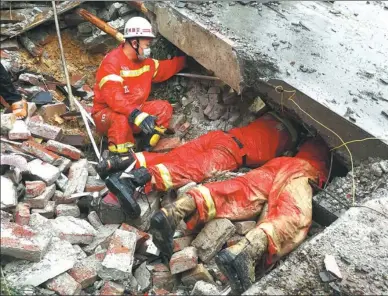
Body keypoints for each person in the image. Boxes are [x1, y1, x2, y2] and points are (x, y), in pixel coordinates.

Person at [148, 137, 329, 294]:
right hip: (304, 171)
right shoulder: (328, 154)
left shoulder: (306, 143)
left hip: (281, 163)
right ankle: (245, 252)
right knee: (293, 216)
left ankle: (173, 212)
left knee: (236, 190)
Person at [118, 111, 299, 194]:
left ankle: (118, 163)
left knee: (174, 157)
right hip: (232, 152)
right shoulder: (290, 140)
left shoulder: (270, 115)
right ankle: (141, 178)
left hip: (221, 137)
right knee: (193, 169)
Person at [92, 16, 186, 154]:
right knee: (120, 119)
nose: (148, 49)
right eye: (146, 45)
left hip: (135, 113)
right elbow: (114, 97)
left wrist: (187, 61)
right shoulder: (112, 62)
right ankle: (121, 158)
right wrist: (136, 114)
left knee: (163, 108)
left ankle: (145, 148)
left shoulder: (146, 63)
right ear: (135, 43)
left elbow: (166, 68)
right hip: (107, 115)